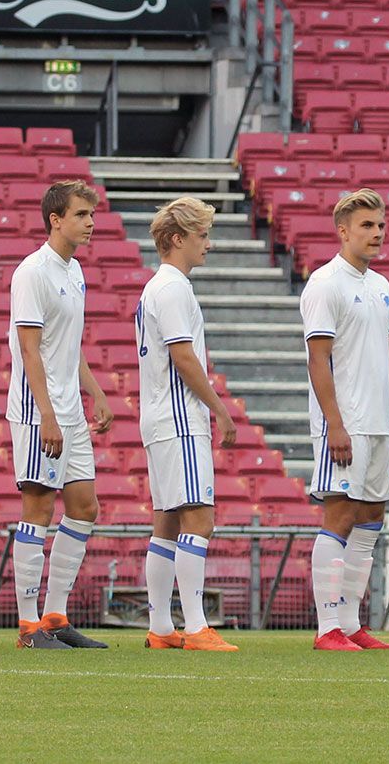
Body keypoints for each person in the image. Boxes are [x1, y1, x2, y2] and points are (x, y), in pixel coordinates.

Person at [302, 189, 389, 651]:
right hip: (345, 421)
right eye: (367, 225)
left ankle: (350, 624)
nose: (376, 233)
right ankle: (327, 628)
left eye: (381, 225)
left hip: (377, 423)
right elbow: (318, 358)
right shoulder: (325, 283)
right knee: (341, 513)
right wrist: (334, 422)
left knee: (372, 515)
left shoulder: (381, 286)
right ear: (343, 231)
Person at [7, 180, 114, 651]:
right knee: (38, 507)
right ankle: (29, 627)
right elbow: (30, 350)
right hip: (38, 411)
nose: (91, 223)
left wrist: (97, 393)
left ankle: (54, 616)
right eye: (82, 215)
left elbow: (68, 348)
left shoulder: (74, 273)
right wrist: (47, 414)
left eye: (92, 215)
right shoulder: (33, 272)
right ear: (56, 219)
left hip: (70, 410)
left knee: (85, 507)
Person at [136, 196, 239, 652]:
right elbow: (184, 356)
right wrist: (219, 408)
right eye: (201, 235)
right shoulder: (174, 288)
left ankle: (161, 627)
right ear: (177, 239)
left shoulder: (154, 287)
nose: (208, 245)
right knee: (199, 517)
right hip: (178, 417)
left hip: (156, 416)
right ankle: (196, 625)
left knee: (167, 520)